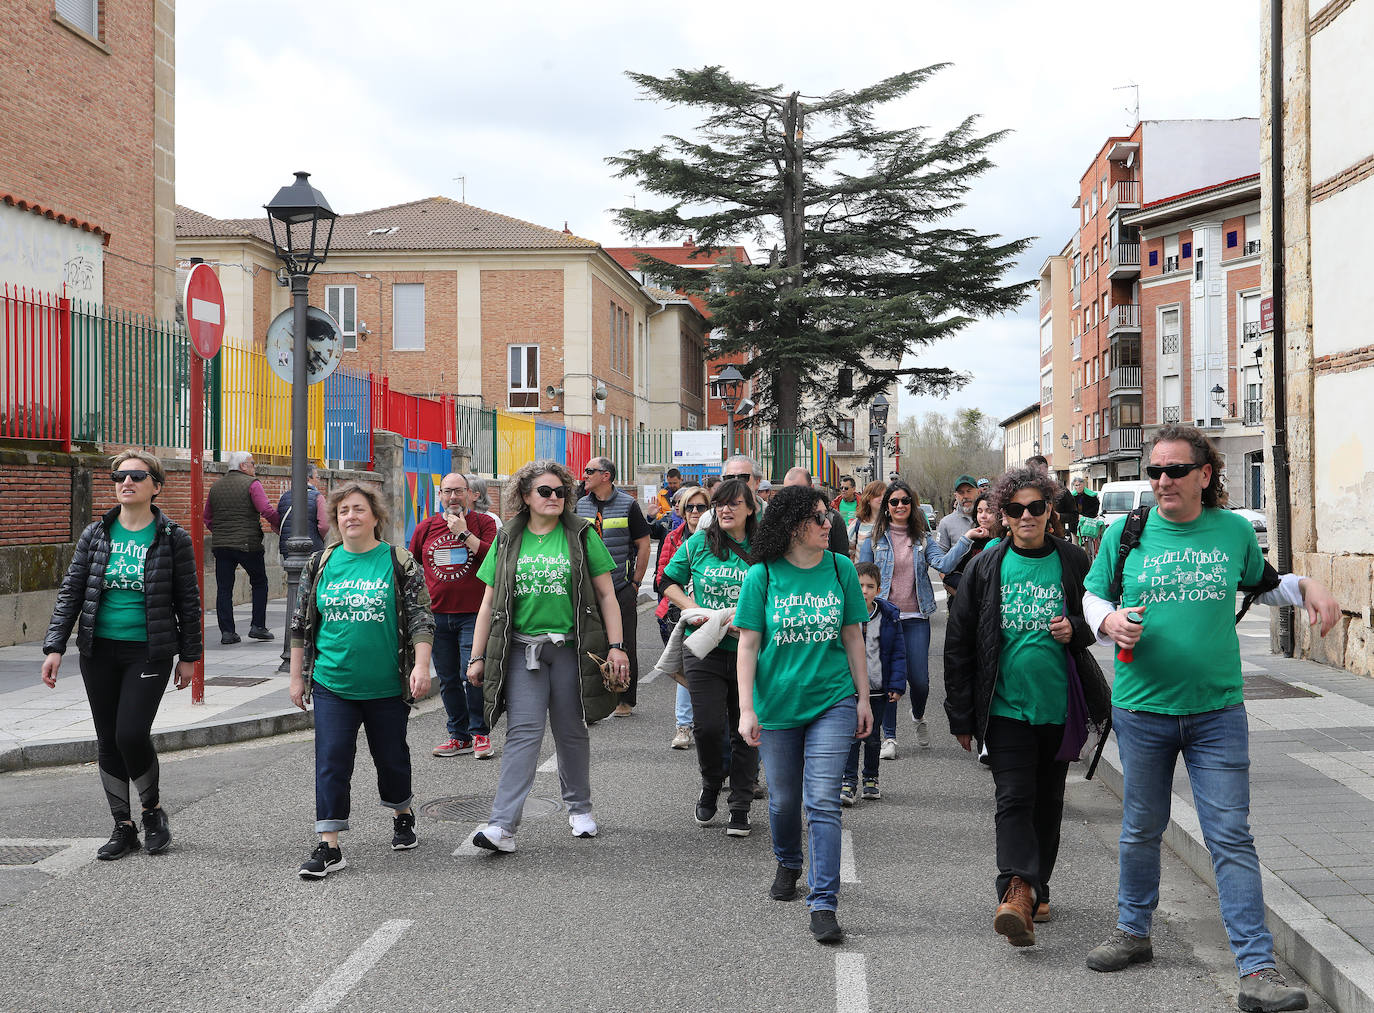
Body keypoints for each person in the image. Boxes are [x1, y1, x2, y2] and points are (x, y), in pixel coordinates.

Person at [1081, 425, 1339, 1012]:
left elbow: (1264, 586)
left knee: (1230, 836)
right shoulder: (1126, 533)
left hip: (1218, 711)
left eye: (1175, 470)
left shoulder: (1232, 532)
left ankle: (1256, 971)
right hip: (1143, 709)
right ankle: (1132, 932)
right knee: (1141, 828)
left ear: (1205, 475)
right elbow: (1091, 596)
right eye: (1155, 472)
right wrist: (1109, 621)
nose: (1162, 481)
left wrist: (1309, 585)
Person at [943, 466, 1109, 947]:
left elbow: (1097, 614)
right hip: (1004, 708)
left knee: (1048, 801)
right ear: (1003, 516)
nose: (1027, 516)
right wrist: (961, 713)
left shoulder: (1073, 560)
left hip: (1060, 706)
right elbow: (960, 644)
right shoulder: (985, 566)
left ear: (1049, 510)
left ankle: (1037, 884)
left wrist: (1075, 629)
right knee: (1013, 798)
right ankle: (1015, 890)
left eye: (1036, 507)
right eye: (1016, 509)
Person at [42, 450, 201, 860]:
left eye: (135, 475)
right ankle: (122, 826)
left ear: (155, 486)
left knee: (130, 733)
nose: (125, 482)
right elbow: (71, 592)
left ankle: (152, 813)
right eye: (119, 476)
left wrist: (189, 655)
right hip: (98, 650)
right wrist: (55, 646)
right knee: (108, 738)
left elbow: (188, 599)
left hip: (148, 651)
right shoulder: (96, 535)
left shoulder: (172, 537)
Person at [465, 460, 628, 854]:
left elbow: (607, 594)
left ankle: (580, 809)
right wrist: (477, 655)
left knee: (571, 730)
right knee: (523, 734)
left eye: (561, 491)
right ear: (525, 496)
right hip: (522, 650)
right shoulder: (508, 538)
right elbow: (489, 601)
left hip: (573, 649)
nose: (555, 497)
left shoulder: (582, 535)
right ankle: (502, 826)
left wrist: (617, 647)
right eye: (545, 491)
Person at [735, 485, 872, 945]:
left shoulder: (841, 568)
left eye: (829, 514)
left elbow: (854, 637)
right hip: (777, 705)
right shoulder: (763, 576)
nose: (828, 523)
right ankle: (789, 860)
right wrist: (747, 709)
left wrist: (864, 698)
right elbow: (749, 645)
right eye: (818, 517)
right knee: (783, 801)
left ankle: (824, 902)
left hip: (832, 699)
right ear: (793, 525)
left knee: (823, 802)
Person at [288, 483, 434, 878]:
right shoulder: (320, 563)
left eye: (358, 509)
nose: (350, 516)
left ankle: (402, 814)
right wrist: (297, 677)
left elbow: (421, 617)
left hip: (386, 684)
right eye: (343, 511)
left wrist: (421, 666)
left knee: (391, 759)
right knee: (331, 761)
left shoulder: (398, 560)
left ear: (375, 516)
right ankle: (329, 845)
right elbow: (300, 623)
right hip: (332, 682)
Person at [663, 478, 760, 836]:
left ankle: (740, 804)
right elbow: (668, 582)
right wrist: (695, 608)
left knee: (746, 728)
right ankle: (711, 782)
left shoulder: (765, 547)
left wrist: (751, 617)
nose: (725, 509)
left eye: (735, 503)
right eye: (720, 503)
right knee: (706, 726)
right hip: (704, 645)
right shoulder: (699, 544)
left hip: (749, 652)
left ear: (750, 508)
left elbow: (779, 589)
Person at [860, 480, 980, 758]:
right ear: (887, 508)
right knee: (889, 679)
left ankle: (918, 715)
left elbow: (945, 564)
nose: (900, 505)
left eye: (905, 501)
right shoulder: (875, 541)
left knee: (920, 680)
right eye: (894, 502)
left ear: (911, 506)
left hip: (916, 617)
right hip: (884, 618)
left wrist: (967, 539)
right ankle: (889, 738)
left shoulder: (923, 539)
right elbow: (863, 576)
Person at [409, 472, 498, 760]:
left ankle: (480, 733)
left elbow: (493, 560)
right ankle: (458, 735)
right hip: (437, 616)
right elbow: (412, 568)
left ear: (472, 494)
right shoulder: (426, 527)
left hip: (474, 614)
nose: (453, 497)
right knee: (447, 679)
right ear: (439, 496)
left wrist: (464, 533)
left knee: (471, 674)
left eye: (459, 491)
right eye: (447, 492)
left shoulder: (483, 524)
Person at [576, 457, 651, 717]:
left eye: (589, 471)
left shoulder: (628, 505)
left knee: (624, 643)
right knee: (591, 642)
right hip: (588, 588)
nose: (584, 475)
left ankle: (625, 699)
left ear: (605, 475)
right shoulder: (580, 505)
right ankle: (594, 698)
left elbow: (643, 544)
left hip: (620, 586)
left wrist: (635, 584)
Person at [841, 563, 906, 807]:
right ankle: (848, 782)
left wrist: (897, 685)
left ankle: (871, 778)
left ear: (879, 589)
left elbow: (899, 653)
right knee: (851, 737)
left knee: (872, 737)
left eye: (870, 586)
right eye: (859, 586)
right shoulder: (843, 613)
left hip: (879, 688)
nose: (864, 591)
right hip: (848, 688)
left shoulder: (889, 616)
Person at [655, 485, 712, 750]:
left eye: (701, 507)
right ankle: (683, 727)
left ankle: (707, 723)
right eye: (690, 507)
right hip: (679, 614)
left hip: (713, 616)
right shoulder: (673, 538)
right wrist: (684, 603)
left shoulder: (717, 539)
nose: (695, 512)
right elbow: (662, 578)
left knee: (708, 670)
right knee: (684, 668)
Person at [205, 451, 280, 644]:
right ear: (243, 466)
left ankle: (227, 633)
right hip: (248, 543)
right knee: (259, 582)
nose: (254, 467)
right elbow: (266, 509)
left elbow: (207, 518)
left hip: (221, 545)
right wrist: (280, 524)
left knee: (224, 588)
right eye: (252, 464)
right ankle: (258, 627)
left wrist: (222, 532)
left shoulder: (215, 487)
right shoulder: (252, 484)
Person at [944, 492, 1004, 595]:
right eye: (979, 511)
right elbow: (949, 576)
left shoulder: (1005, 542)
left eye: (989, 511)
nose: (983, 516)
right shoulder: (973, 540)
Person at [783, 467, 849, 556]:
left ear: (812, 488)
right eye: (787, 491)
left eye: (799, 490)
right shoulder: (779, 518)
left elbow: (843, 556)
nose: (793, 496)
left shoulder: (833, 518)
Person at [935, 474, 979, 597]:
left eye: (969, 491)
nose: (965, 496)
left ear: (978, 492)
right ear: (956, 496)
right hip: (957, 592)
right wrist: (954, 590)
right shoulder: (946, 522)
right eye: (961, 492)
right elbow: (939, 559)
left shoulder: (989, 519)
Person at [275, 462, 329, 557]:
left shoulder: (284, 497)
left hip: (287, 548)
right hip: (312, 548)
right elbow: (324, 526)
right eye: (317, 477)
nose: (319, 480)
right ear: (308, 479)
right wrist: (319, 539)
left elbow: (275, 524)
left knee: (291, 571)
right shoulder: (318, 497)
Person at [847, 480, 887, 560]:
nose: (882, 498)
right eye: (877, 495)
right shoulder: (857, 524)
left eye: (885, 495)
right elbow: (849, 551)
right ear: (868, 498)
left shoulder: (891, 524)